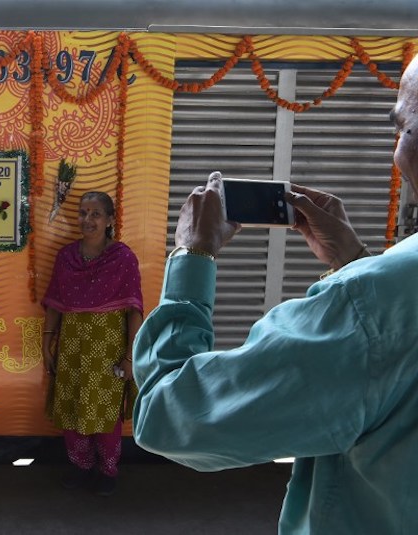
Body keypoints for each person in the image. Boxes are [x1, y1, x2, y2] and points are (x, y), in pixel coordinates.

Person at [132, 56, 418, 533]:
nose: (396, 149)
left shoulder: (369, 304)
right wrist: (356, 261)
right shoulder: (378, 298)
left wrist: (192, 259)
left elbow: (167, 413)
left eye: (403, 127)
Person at [42, 191, 143, 496]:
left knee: (104, 413)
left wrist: (129, 357)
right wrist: (47, 345)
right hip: (71, 346)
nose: (88, 220)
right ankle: (80, 468)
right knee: (72, 409)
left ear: (110, 219)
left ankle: (108, 472)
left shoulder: (123, 258)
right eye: (83, 213)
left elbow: (134, 310)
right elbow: (55, 305)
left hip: (107, 348)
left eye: (96, 214)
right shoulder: (67, 257)